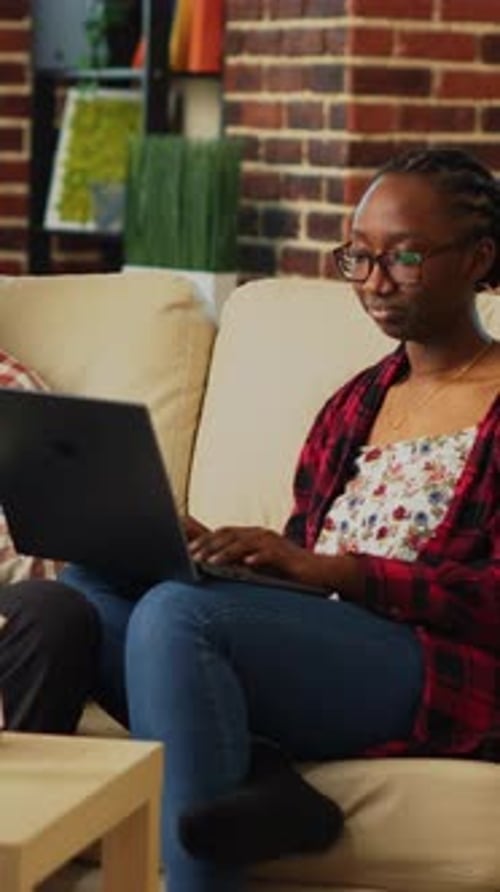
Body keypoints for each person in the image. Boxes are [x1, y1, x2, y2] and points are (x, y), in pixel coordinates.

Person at [61, 146, 500, 892]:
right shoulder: (356, 402)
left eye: (404, 257)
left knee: (176, 616)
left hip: (432, 662)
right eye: (357, 258)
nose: (373, 281)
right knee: (92, 585)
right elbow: (310, 553)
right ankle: (260, 778)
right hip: (329, 639)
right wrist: (238, 559)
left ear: (478, 259)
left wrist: (337, 573)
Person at [0, 348, 100, 733]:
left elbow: (55, 557)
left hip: (12, 607)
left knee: (52, 611)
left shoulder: (14, 393)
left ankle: (24, 793)